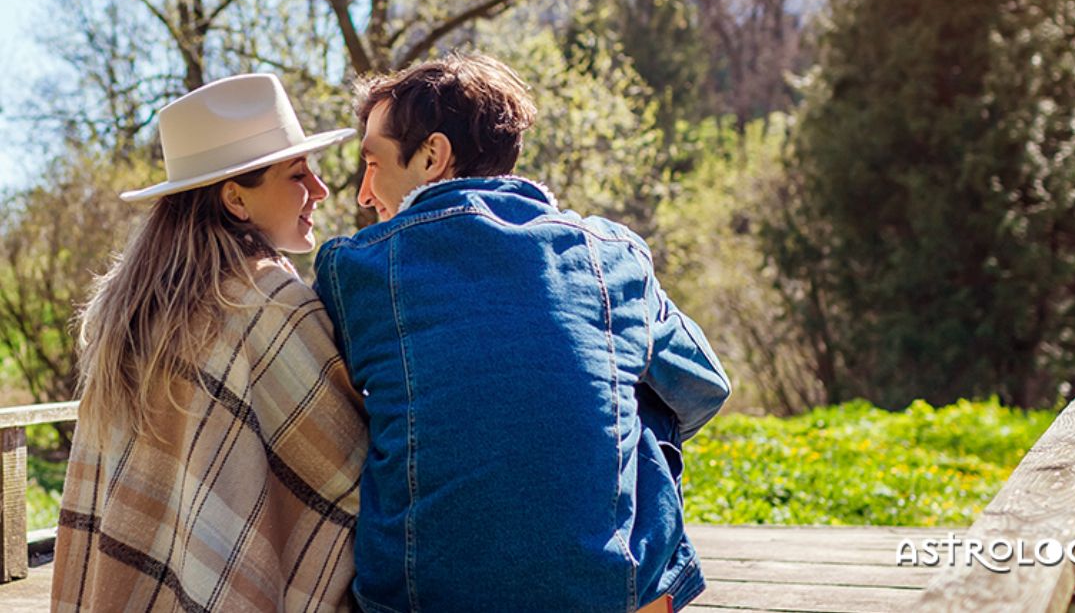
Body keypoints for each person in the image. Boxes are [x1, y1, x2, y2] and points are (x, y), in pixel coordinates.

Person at [314, 53, 731, 613]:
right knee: (640, 396)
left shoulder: (355, 268)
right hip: (603, 595)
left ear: (432, 156)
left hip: (416, 599)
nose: (365, 193)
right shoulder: (610, 253)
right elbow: (704, 384)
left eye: (373, 163)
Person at [51, 73, 368, 613]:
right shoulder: (270, 303)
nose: (320, 189)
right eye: (298, 173)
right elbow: (346, 477)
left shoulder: (132, 313)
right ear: (235, 200)